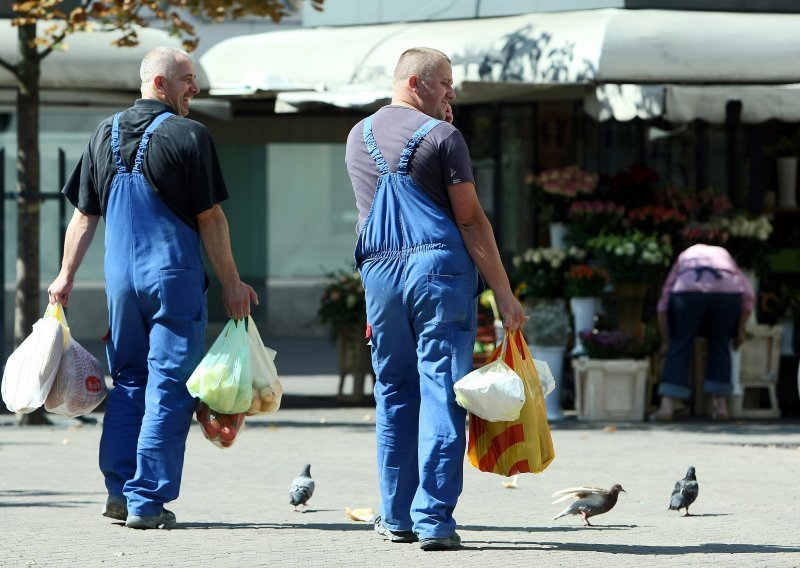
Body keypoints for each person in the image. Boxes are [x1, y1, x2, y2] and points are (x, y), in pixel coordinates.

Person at [47, 46, 258, 529]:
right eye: (187, 78)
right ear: (160, 83)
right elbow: (211, 218)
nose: (195, 88)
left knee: (129, 384)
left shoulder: (103, 132)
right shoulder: (190, 135)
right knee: (168, 385)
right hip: (173, 278)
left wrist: (65, 276)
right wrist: (231, 282)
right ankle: (146, 500)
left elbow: (83, 217)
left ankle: (119, 491)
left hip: (120, 281)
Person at [344, 47, 527, 551]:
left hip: (379, 274)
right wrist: (504, 294)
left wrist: (371, 301)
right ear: (415, 83)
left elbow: (367, 217)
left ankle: (395, 516)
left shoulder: (357, 136)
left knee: (394, 393)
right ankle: (434, 519)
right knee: (442, 391)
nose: (452, 94)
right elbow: (469, 219)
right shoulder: (445, 137)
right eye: (445, 83)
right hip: (437, 272)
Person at [651, 243, 754, 422]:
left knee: (680, 343)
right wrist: (740, 330)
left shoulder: (685, 255)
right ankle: (721, 407)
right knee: (720, 344)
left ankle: (666, 407)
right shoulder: (724, 254)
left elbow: (663, 304)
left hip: (688, 292)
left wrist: (667, 340)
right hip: (727, 293)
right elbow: (749, 295)